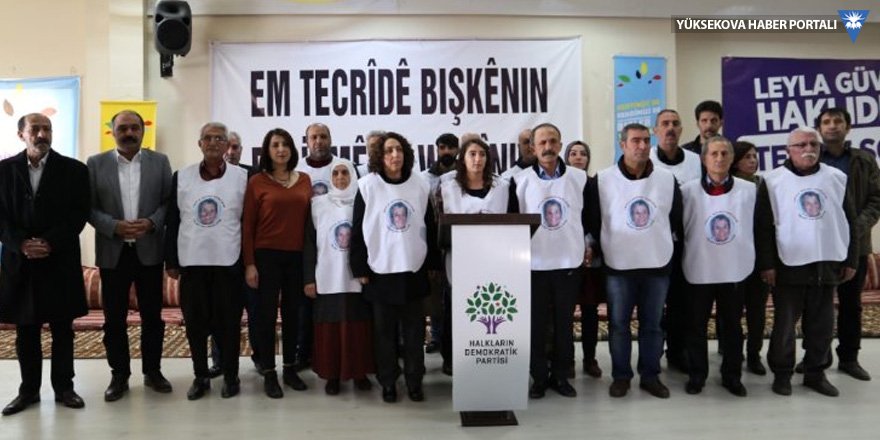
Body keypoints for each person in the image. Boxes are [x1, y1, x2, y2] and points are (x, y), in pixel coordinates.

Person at [756, 126, 857, 397]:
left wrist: (850, 258)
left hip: (826, 263)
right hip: (788, 265)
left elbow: (849, 220)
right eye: (801, 145)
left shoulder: (836, 178)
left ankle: (815, 373)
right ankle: (782, 374)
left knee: (822, 325)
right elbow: (763, 226)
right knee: (785, 326)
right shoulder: (772, 181)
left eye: (813, 144)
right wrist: (767, 264)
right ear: (788, 150)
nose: (808, 149)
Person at [0, 113, 90, 415]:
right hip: (20, 262)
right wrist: (21, 243)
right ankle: (28, 391)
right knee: (26, 330)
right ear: (21, 135)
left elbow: (79, 213)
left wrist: (49, 242)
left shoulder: (74, 170)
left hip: (59, 259)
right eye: (35, 129)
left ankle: (65, 388)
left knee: (63, 328)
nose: (42, 134)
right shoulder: (4, 170)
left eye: (47, 128)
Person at [586, 122, 683, 399]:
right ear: (623, 144)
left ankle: (650, 375)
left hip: (656, 262)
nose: (641, 146)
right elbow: (593, 219)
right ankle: (621, 376)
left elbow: (675, 219)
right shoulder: (603, 180)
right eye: (635, 141)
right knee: (619, 324)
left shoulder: (666, 179)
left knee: (653, 324)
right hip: (619, 265)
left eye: (645, 140)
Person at [86, 110, 174, 402]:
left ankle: (153, 371)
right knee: (114, 319)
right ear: (112, 131)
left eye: (134, 128)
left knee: (152, 317)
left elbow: (168, 202)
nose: (129, 133)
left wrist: (151, 222)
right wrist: (114, 226)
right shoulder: (95, 163)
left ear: (142, 131)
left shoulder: (160, 162)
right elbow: (88, 207)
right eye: (122, 128)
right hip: (114, 252)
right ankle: (119, 375)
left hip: (149, 250)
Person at [350, 132, 439, 403]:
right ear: (380, 156)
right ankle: (388, 381)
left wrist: (432, 263)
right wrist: (359, 268)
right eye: (388, 150)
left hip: (413, 269)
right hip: (380, 271)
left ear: (406, 154)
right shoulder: (367, 185)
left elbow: (430, 224)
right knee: (384, 334)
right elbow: (358, 229)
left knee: (414, 333)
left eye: (398, 149)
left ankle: (414, 381)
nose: (394, 155)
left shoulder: (420, 184)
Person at [795, 107, 880, 381]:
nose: (832, 126)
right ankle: (815, 356)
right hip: (818, 245)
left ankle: (849, 358)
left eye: (838, 121)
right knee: (814, 305)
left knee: (851, 304)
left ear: (848, 127)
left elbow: (876, 199)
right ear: (819, 128)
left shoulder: (864, 160)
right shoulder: (809, 158)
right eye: (826, 122)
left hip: (855, 245)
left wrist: (854, 227)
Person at [164, 122, 248, 400]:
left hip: (229, 263)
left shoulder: (243, 177)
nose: (213, 143)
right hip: (193, 263)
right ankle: (200, 376)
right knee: (195, 325)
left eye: (219, 138)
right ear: (199, 144)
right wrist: (171, 260)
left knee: (229, 325)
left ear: (227, 145)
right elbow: (173, 220)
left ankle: (231, 376)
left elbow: (248, 222)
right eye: (208, 138)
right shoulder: (182, 177)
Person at [508, 123, 588, 399]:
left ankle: (561, 376)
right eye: (542, 142)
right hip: (534, 264)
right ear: (532, 147)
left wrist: (589, 243)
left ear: (560, 144)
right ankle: (539, 377)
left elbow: (590, 216)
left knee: (564, 325)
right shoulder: (519, 181)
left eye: (553, 141)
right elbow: (513, 221)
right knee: (536, 325)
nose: (548, 147)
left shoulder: (580, 178)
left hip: (568, 261)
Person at [680, 136, 755, 397]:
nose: (719, 158)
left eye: (725, 154)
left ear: (732, 158)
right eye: (714, 154)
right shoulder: (687, 191)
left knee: (732, 326)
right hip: (699, 267)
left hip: (734, 268)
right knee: (696, 326)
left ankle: (732, 376)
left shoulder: (749, 191)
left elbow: (757, 228)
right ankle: (697, 375)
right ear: (704, 159)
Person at [243, 128, 313, 398]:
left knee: (294, 314)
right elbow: (248, 226)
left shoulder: (304, 180)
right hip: (266, 257)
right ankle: (269, 372)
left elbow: (310, 223)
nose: (281, 149)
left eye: (285, 144)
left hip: (296, 257)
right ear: (267, 150)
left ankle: (290, 368)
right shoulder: (257, 182)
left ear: (292, 149)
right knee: (266, 316)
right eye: (275, 145)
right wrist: (250, 264)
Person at [439, 138, 510, 374]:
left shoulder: (502, 187)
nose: (477, 159)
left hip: (493, 262)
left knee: (486, 312)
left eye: (482, 154)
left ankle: (486, 358)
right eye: (472, 154)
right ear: (462, 158)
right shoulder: (448, 187)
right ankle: (453, 359)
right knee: (457, 311)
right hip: (460, 261)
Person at [303, 161, 374, 395]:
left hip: (356, 277)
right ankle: (332, 374)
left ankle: (359, 373)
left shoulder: (363, 202)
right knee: (329, 328)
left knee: (358, 327)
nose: (341, 177)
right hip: (327, 275)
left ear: (353, 176)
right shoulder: (317, 204)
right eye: (336, 173)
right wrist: (308, 278)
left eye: (345, 173)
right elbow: (309, 244)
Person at [293, 123, 355, 371]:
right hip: (309, 243)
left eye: (323, 136)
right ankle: (304, 355)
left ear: (330, 139)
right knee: (307, 311)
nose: (318, 141)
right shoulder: (298, 170)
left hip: (340, 250)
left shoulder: (343, 166)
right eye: (313, 137)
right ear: (307, 141)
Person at [648, 109, 699, 373]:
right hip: (653, 244)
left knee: (682, 302)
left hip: (685, 242)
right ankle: (652, 357)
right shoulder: (645, 159)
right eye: (664, 124)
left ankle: (678, 352)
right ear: (655, 130)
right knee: (654, 304)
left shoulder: (695, 161)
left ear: (681, 130)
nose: (670, 128)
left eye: (675, 124)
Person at [563, 140, 603, 378]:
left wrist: (590, 244)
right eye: (573, 153)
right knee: (565, 311)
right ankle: (566, 360)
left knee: (589, 309)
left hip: (590, 256)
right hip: (565, 256)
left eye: (583, 154)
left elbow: (599, 218)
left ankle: (590, 359)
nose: (578, 157)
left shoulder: (596, 184)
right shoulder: (561, 183)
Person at [731, 141, 769, 375]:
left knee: (757, 311)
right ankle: (732, 353)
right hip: (734, 257)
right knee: (732, 311)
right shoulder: (728, 185)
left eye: (755, 156)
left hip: (759, 257)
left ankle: (754, 354)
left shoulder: (764, 184)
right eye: (747, 157)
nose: (753, 161)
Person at [421, 133, 459, 356]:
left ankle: (455, 336)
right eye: (442, 147)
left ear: (457, 150)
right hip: (433, 240)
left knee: (455, 292)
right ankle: (435, 336)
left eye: (451, 148)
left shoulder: (463, 175)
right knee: (435, 294)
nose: (447, 152)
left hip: (457, 241)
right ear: (437, 150)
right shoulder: (425, 178)